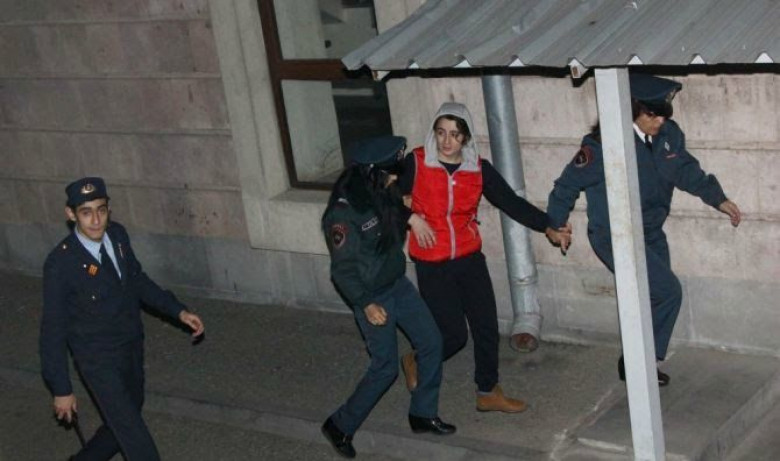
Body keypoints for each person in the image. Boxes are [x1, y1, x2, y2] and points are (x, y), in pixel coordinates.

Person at [546, 73, 741, 386]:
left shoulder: (668, 134)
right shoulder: (603, 146)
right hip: (615, 235)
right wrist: (555, 223)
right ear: (632, 109)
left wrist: (718, 198)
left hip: (650, 230)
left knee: (650, 299)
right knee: (668, 292)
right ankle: (642, 363)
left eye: (663, 114)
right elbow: (566, 185)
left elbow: (686, 170)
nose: (660, 121)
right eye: (653, 115)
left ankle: (636, 361)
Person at [398, 102, 572, 413]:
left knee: (486, 326)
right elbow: (383, 196)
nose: (447, 141)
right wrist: (411, 217)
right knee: (453, 336)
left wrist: (548, 226)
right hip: (432, 261)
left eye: (455, 134)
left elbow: (510, 202)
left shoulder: (478, 169)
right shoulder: (417, 162)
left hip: (469, 258)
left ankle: (487, 391)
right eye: (441, 133)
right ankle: (416, 359)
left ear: (465, 137)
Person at [39, 177, 205, 461]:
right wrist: (61, 388)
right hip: (97, 359)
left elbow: (137, 281)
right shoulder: (61, 263)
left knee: (128, 414)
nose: (96, 221)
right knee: (133, 434)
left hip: (130, 345)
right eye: (86, 212)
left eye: (101, 210)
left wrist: (178, 311)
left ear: (109, 209)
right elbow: (53, 329)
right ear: (71, 214)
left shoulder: (117, 236)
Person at [321, 136, 455, 459]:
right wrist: (365, 303)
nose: (395, 178)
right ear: (371, 173)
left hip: (397, 285)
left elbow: (391, 206)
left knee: (431, 342)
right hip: (372, 296)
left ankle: (422, 413)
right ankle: (339, 425)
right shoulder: (343, 213)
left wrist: (412, 217)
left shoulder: (378, 188)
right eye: (391, 173)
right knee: (385, 368)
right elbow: (342, 270)